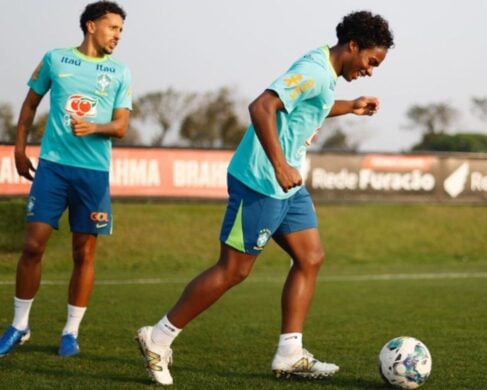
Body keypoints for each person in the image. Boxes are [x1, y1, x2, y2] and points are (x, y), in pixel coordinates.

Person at [136, 10, 393, 385]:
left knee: (311, 256)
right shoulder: (315, 71)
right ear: (353, 46)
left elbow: (311, 107)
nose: (371, 69)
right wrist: (278, 165)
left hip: (288, 185)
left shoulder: (325, 73)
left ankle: (289, 354)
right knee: (233, 270)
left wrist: (350, 106)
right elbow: (262, 106)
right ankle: (157, 338)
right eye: (371, 61)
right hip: (261, 181)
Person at [0, 1, 131, 358]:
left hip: (93, 174)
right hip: (53, 168)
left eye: (121, 30)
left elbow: (121, 126)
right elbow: (29, 105)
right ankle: (19, 325)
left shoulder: (120, 72)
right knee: (33, 245)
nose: (118, 35)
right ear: (91, 26)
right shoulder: (55, 59)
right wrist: (20, 148)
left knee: (83, 253)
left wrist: (96, 127)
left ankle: (70, 333)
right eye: (112, 27)